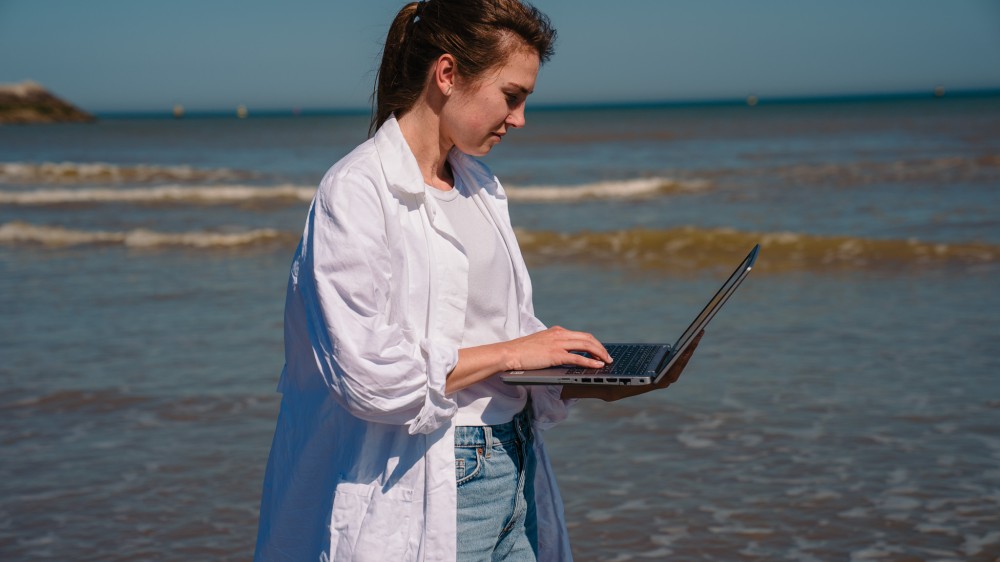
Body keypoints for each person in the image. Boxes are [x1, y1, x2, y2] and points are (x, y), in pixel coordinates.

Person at [253, 1, 701, 560]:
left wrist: (598, 377)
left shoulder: (480, 185)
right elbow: (370, 375)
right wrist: (515, 353)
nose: (519, 119)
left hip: (515, 463)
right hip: (432, 477)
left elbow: (507, 346)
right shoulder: (357, 190)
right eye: (511, 96)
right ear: (447, 75)